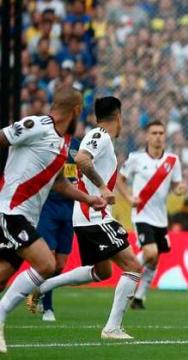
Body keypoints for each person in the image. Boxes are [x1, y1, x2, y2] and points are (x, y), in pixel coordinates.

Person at [0, 85, 106, 353]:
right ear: (77, 110)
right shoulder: (37, 124)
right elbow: (2, 137)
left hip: (26, 217)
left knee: (3, 277)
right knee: (47, 263)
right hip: (10, 211)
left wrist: (87, 198)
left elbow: (58, 183)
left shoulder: (64, 142)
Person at [26, 96, 143, 340]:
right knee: (133, 266)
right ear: (118, 116)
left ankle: (44, 286)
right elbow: (81, 159)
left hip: (87, 216)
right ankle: (112, 328)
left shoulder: (100, 137)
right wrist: (102, 187)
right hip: (94, 216)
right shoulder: (100, 135)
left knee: (103, 272)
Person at [116, 120, 186, 310]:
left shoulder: (173, 160)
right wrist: (129, 197)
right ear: (147, 136)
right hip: (141, 214)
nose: (157, 136)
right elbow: (119, 179)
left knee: (154, 259)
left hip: (161, 218)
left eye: (161, 133)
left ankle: (139, 298)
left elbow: (176, 185)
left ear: (165, 136)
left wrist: (179, 189)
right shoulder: (135, 159)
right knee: (150, 252)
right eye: (154, 133)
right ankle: (127, 274)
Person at [36, 135, 81, 322]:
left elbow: (83, 170)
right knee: (49, 260)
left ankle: (40, 290)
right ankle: (48, 308)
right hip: (49, 207)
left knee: (60, 264)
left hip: (70, 208)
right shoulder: (48, 141)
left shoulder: (79, 145)